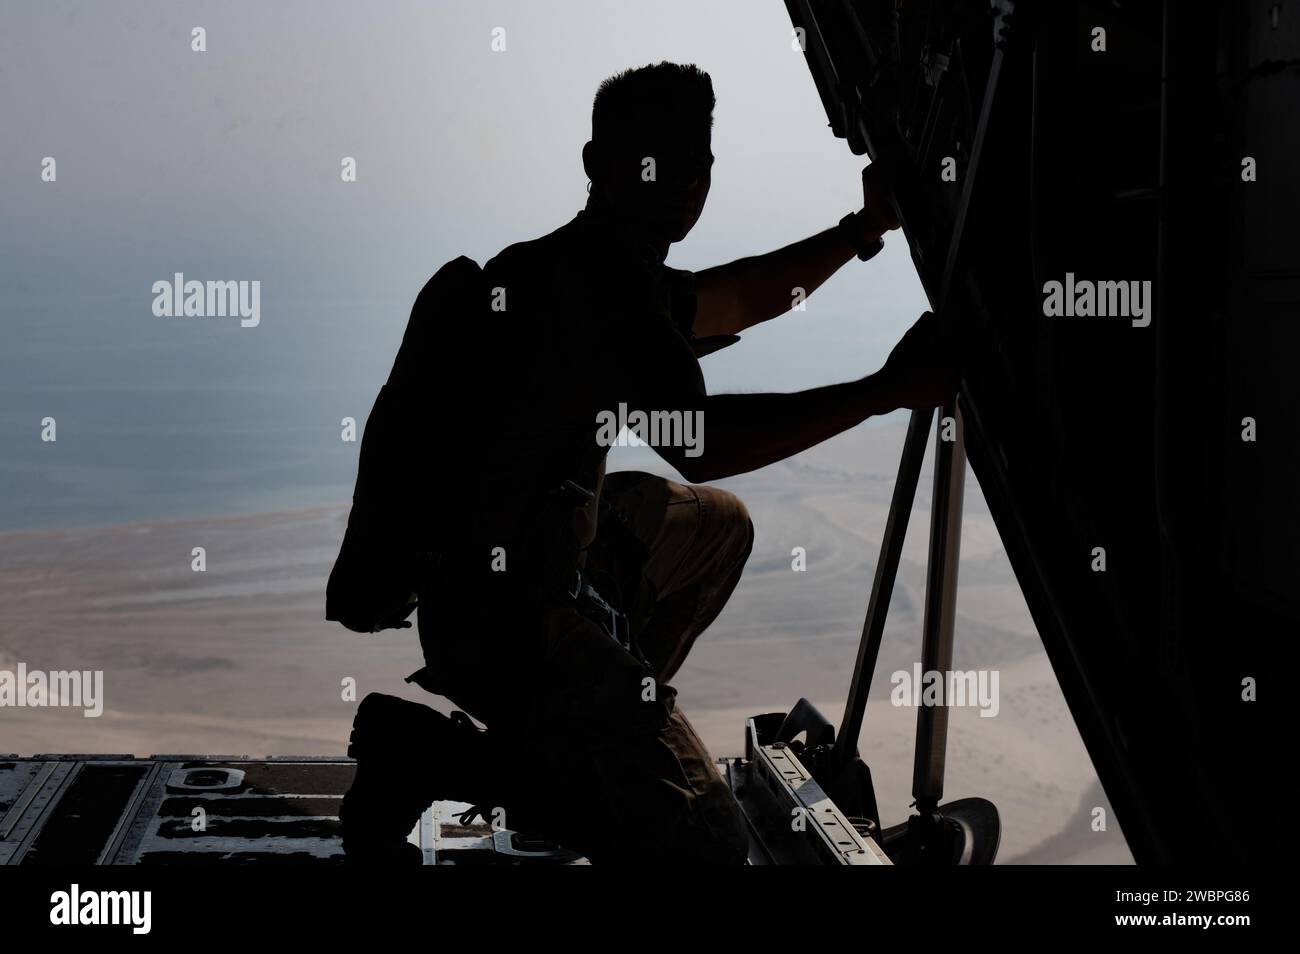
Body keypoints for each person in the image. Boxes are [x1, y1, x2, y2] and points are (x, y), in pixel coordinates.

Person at [337, 61, 959, 865]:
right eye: (656, 161)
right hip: (510, 625)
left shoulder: (566, 265)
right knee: (706, 849)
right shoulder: (602, 294)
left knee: (714, 528)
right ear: (599, 165)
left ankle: (597, 730)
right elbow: (705, 443)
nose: (682, 184)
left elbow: (736, 298)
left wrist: (859, 233)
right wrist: (883, 390)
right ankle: (456, 753)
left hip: (501, 581)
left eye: (695, 164)